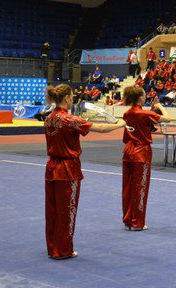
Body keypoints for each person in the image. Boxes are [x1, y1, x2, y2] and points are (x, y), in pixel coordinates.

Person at [44, 84, 125, 259]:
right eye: (72, 96)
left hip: (51, 168)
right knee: (68, 210)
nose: (73, 99)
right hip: (67, 169)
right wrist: (120, 124)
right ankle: (64, 249)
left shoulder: (48, 118)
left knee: (52, 210)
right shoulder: (70, 119)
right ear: (66, 98)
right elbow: (101, 129)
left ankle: (53, 247)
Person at [121, 86, 171, 231]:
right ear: (141, 98)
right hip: (141, 152)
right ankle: (137, 222)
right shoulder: (145, 114)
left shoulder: (127, 113)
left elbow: (141, 119)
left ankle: (128, 219)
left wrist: (150, 109)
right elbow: (167, 118)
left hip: (128, 151)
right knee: (140, 188)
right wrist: (159, 106)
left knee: (128, 187)